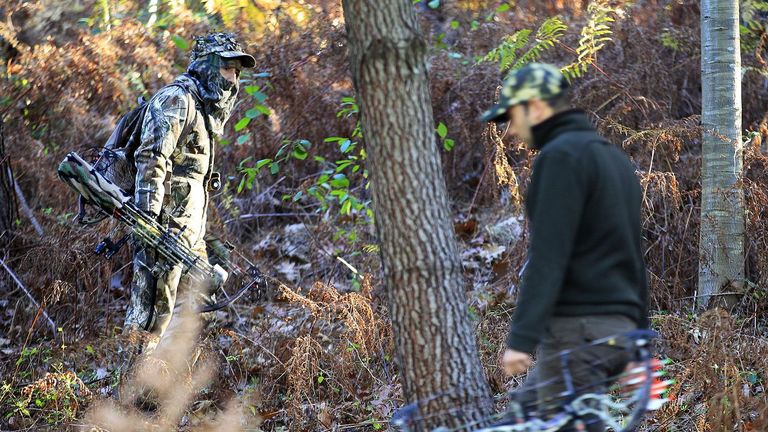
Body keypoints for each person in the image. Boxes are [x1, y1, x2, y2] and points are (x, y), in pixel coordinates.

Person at [480, 63, 649, 430]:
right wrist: (639, 342)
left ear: (536, 107)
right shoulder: (616, 161)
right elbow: (633, 258)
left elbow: (548, 256)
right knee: (523, 417)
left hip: (578, 332)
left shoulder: (560, 159)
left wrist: (521, 340)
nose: (510, 132)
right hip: (616, 331)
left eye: (513, 117)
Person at [122, 32, 255, 354]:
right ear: (206, 65)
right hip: (162, 229)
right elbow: (151, 157)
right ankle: (133, 381)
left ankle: (165, 381)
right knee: (151, 317)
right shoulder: (176, 99)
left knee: (194, 310)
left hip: (189, 232)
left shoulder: (204, 107)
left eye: (237, 71)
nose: (233, 78)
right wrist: (148, 222)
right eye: (226, 68)